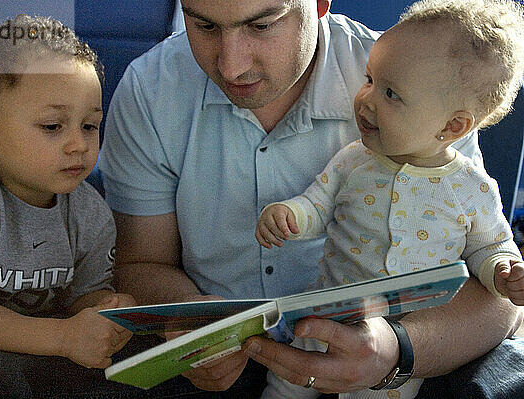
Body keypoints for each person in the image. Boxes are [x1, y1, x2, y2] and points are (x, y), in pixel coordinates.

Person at [99, 0, 524, 397]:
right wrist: (191, 319)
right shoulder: (150, 89)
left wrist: (398, 349)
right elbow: (141, 266)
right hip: (224, 363)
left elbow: (496, 297)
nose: (232, 64)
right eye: (204, 24)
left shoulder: (416, 74)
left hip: (403, 347)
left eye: (262, 25)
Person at [255, 0, 524, 397]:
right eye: (369, 79)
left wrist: (502, 270)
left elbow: (489, 245)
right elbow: (317, 204)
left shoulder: (472, 187)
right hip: (325, 318)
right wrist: (288, 215)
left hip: (397, 343)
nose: (366, 99)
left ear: (452, 126)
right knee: (286, 384)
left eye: (392, 94)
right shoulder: (355, 160)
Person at [0, 14, 138, 397]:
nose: (78, 144)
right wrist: (64, 337)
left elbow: (80, 299)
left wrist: (106, 310)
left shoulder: (89, 210)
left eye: (89, 126)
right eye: (53, 126)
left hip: (43, 356)